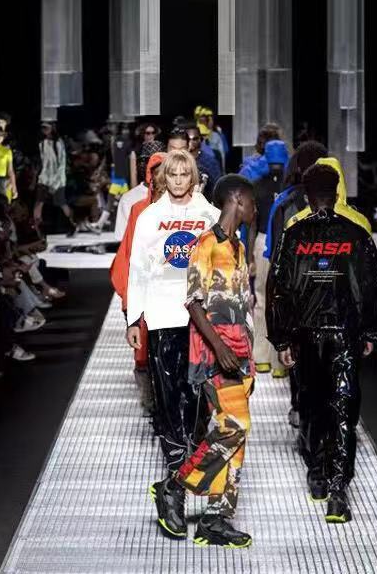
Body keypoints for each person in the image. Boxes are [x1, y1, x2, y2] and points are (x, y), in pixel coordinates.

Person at [269, 164, 377, 523]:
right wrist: (369, 331)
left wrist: (282, 338)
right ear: (336, 194)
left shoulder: (294, 234)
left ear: (306, 195)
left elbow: (280, 288)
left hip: (306, 334)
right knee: (343, 409)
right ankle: (337, 491)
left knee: (312, 403)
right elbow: (370, 285)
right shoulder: (356, 233)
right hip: (345, 334)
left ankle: (317, 475)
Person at [151, 174, 256, 549]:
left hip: (239, 353)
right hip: (215, 355)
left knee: (235, 437)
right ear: (238, 200)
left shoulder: (238, 247)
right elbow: (193, 302)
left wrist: (247, 356)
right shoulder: (205, 244)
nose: (255, 209)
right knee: (236, 427)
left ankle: (216, 519)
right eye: (253, 203)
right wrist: (221, 349)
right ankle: (174, 485)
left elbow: (241, 306)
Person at [125, 151, 220, 484]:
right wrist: (134, 319)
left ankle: (195, 454)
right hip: (162, 314)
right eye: (173, 174)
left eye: (184, 174)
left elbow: (223, 265)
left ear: (193, 177)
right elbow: (137, 269)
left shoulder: (210, 215)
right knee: (167, 395)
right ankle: (176, 462)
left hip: (201, 318)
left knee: (198, 392)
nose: (179, 180)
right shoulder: (150, 217)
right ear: (164, 178)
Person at [110, 151, 166, 412]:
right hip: (144, 301)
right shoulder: (138, 211)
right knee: (145, 359)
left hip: (177, 303)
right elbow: (127, 259)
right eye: (159, 177)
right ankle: (152, 405)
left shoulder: (189, 212)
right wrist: (130, 309)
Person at [250, 139, 289, 375]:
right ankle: (279, 362)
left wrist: (249, 257)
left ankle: (261, 357)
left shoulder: (256, 185)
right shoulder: (290, 186)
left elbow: (252, 223)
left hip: (263, 240)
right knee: (281, 300)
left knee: (261, 299)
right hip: (285, 242)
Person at [115, 140, 164, 242]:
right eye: (146, 162)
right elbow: (123, 240)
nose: (150, 167)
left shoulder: (177, 195)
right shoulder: (129, 199)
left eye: (157, 164)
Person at [33, 121, 72, 227]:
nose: (44, 130)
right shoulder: (42, 144)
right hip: (45, 179)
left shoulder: (58, 143)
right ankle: (37, 228)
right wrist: (41, 177)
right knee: (39, 202)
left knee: (61, 203)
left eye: (46, 128)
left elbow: (61, 164)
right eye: (43, 128)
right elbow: (44, 162)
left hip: (58, 180)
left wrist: (55, 184)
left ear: (52, 128)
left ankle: (72, 224)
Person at [185, 123, 221, 199]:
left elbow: (217, 186)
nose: (191, 141)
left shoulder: (210, 161)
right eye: (188, 139)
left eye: (195, 139)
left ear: (200, 140)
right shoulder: (180, 159)